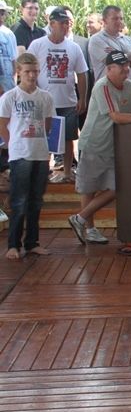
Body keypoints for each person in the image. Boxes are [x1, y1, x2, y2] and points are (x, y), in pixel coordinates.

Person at [68, 51, 131, 246]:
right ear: (109, 69)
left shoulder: (129, 87)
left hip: (115, 147)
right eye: (121, 67)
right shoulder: (102, 86)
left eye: (127, 66)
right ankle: (90, 229)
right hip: (93, 144)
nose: (126, 70)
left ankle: (80, 218)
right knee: (89, 188)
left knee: (117, 186)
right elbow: (117, 116)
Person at [0, 53, 54, 259]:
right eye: (27, 72)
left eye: (35, 71)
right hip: (20, 154)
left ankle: (32, 242)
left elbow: (48, 124)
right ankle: (13, 244)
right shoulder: (10, 97)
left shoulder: (45, 97)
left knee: (36, 200)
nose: (32, 76)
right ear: (19, 72)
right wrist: (12, 143)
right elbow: (2, 124)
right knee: (19, 200)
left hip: (40, 153)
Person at [27, 9, 88, 182]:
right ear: (51, 23)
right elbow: (28, 69)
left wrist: (82, 98)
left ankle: (68, 172)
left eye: (67, 22)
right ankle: (43, 172)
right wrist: (32, 94)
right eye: (61, 22)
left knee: (69, 137)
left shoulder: (73, 47)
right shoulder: (37, 44)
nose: (65, 26)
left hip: (68, 101)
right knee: (42, 137)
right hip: (43, 101)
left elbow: (82, 73)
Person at [87, 5, 131, 82]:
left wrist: (119, 56)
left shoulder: (129, 40)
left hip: (130, 90)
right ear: (104, 21)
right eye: (115, 18)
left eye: (121, 18)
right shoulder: (96, 40)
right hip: (108, 90)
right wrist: (129, 56)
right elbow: (112, 62)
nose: (119, 21)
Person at [0, 1, 17, 94]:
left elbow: (14, 61)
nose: (2, 16)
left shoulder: (9, 34)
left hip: (8, 88)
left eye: (3, 13)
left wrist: (14, 84)